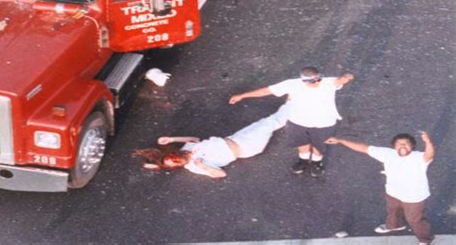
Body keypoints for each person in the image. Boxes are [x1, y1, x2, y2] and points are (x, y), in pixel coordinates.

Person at [229, 66, 354, 177]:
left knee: (319, 145)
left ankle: (317, 163)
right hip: (298, 122)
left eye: (318, 79)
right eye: (312, 80)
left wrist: (346, 77)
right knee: (302, 144)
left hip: (324, 123)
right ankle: (303, 160)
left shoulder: (328, 82)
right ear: (303, 79)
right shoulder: (291, 84)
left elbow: (339, 81)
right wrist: (242, 96)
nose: (316, 82)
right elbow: (267, 91)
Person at [325, 132, 435, 244]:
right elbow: (363, 148)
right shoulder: (388, 154)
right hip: (393, 192)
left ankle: (425, 239)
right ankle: (394, 226)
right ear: (394, 146)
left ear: (412, 146)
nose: (402, 146)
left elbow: (429, 155)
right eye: (399, 143)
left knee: (414, 219)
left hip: (413, 196)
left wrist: (428, 142)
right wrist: (340, 141)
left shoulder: (419, 157)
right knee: (393, 211)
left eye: (406, 143)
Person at [134, 104, 290, 178]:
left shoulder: (186, 148)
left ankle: (292, 102)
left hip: (236, 137)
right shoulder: (194, 167)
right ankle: (297, 104)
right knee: (271, 123)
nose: (177, 161)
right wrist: (204, 166)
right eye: (175, 164)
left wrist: (172, 138)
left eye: (173, 158)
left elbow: (193, 139)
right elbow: (220, 174)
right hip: (247, 148)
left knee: (269, 122)